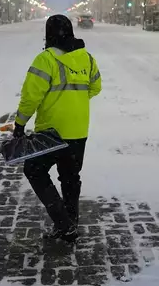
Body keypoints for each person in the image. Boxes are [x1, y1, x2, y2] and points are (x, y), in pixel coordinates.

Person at [13, 14, 102, 243]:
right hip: (79, 130)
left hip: (51, 131)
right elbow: (96, 87)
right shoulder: (87, 59)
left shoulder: (46, 59)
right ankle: (70, 224)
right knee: (71, 177)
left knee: (34, 170)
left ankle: (63, 223)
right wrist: (76, 101)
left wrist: (20, 123)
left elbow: (31, 96)